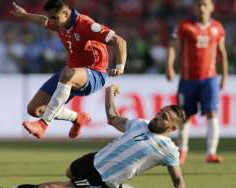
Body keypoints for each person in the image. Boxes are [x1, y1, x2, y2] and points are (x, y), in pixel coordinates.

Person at [13, 85, 187, 188]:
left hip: (101, 179)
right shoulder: (140, 123)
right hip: (93, 159)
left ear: (172, 128)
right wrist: (109, 93)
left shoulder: (169, 150)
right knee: (70, 172)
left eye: (164, 117)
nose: (157, 116)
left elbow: (178, 179)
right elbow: (113, 119)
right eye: (160, 112)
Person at [11, 0, 127, 139]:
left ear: (66, 13)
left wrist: (120, 66)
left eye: (54, 18)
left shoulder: (86, 25)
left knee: (67, 73)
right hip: (72, 73)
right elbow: (43, 21)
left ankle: (43, 124)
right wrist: (25, 15)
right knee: (35, 109)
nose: (51, 22)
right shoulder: (59, 23)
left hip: (95, 73)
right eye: (50, 18)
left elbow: (119, 41)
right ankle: (78, 118)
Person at [165, 0, 228, 164]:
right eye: (199, 4)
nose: (201, 7)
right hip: (187, 79)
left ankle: (211, 153)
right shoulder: (184, 26)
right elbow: (173, 46)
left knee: (212, 113)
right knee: (184, 116)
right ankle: (183, 150)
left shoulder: (217, 28)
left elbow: (222, 52)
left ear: (212, 7)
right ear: (194, 7)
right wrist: (169, 66)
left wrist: (225, 75)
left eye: (205, 4)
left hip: (210, 79)